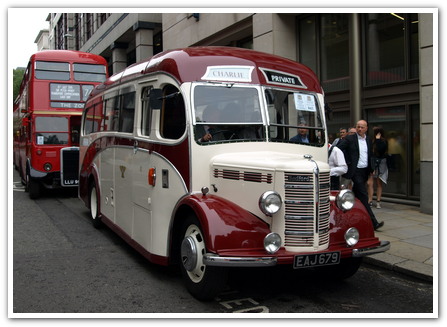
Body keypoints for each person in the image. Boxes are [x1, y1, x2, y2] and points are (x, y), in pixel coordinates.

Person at [336, 119, 384, 230]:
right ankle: (373, 222)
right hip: (355, 171)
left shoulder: (368, 140)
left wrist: (372, 168)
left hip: (364, 171)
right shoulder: (350, 138)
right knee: (363, 195)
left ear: (366, 128)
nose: (360, 129)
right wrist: (345, 162)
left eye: (362, 127)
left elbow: (370, 154)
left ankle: (348, 220)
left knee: (356, 197)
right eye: (358, 126)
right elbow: (338, 149)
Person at [368, 127, 389, 209]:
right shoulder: (372, 141)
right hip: (373, 163)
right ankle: (370, 200)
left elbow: (381, 150)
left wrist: (378, 140)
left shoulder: (383, 141)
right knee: (370, 183)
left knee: (379, 183)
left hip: (380, 163)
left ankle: (378, 201)